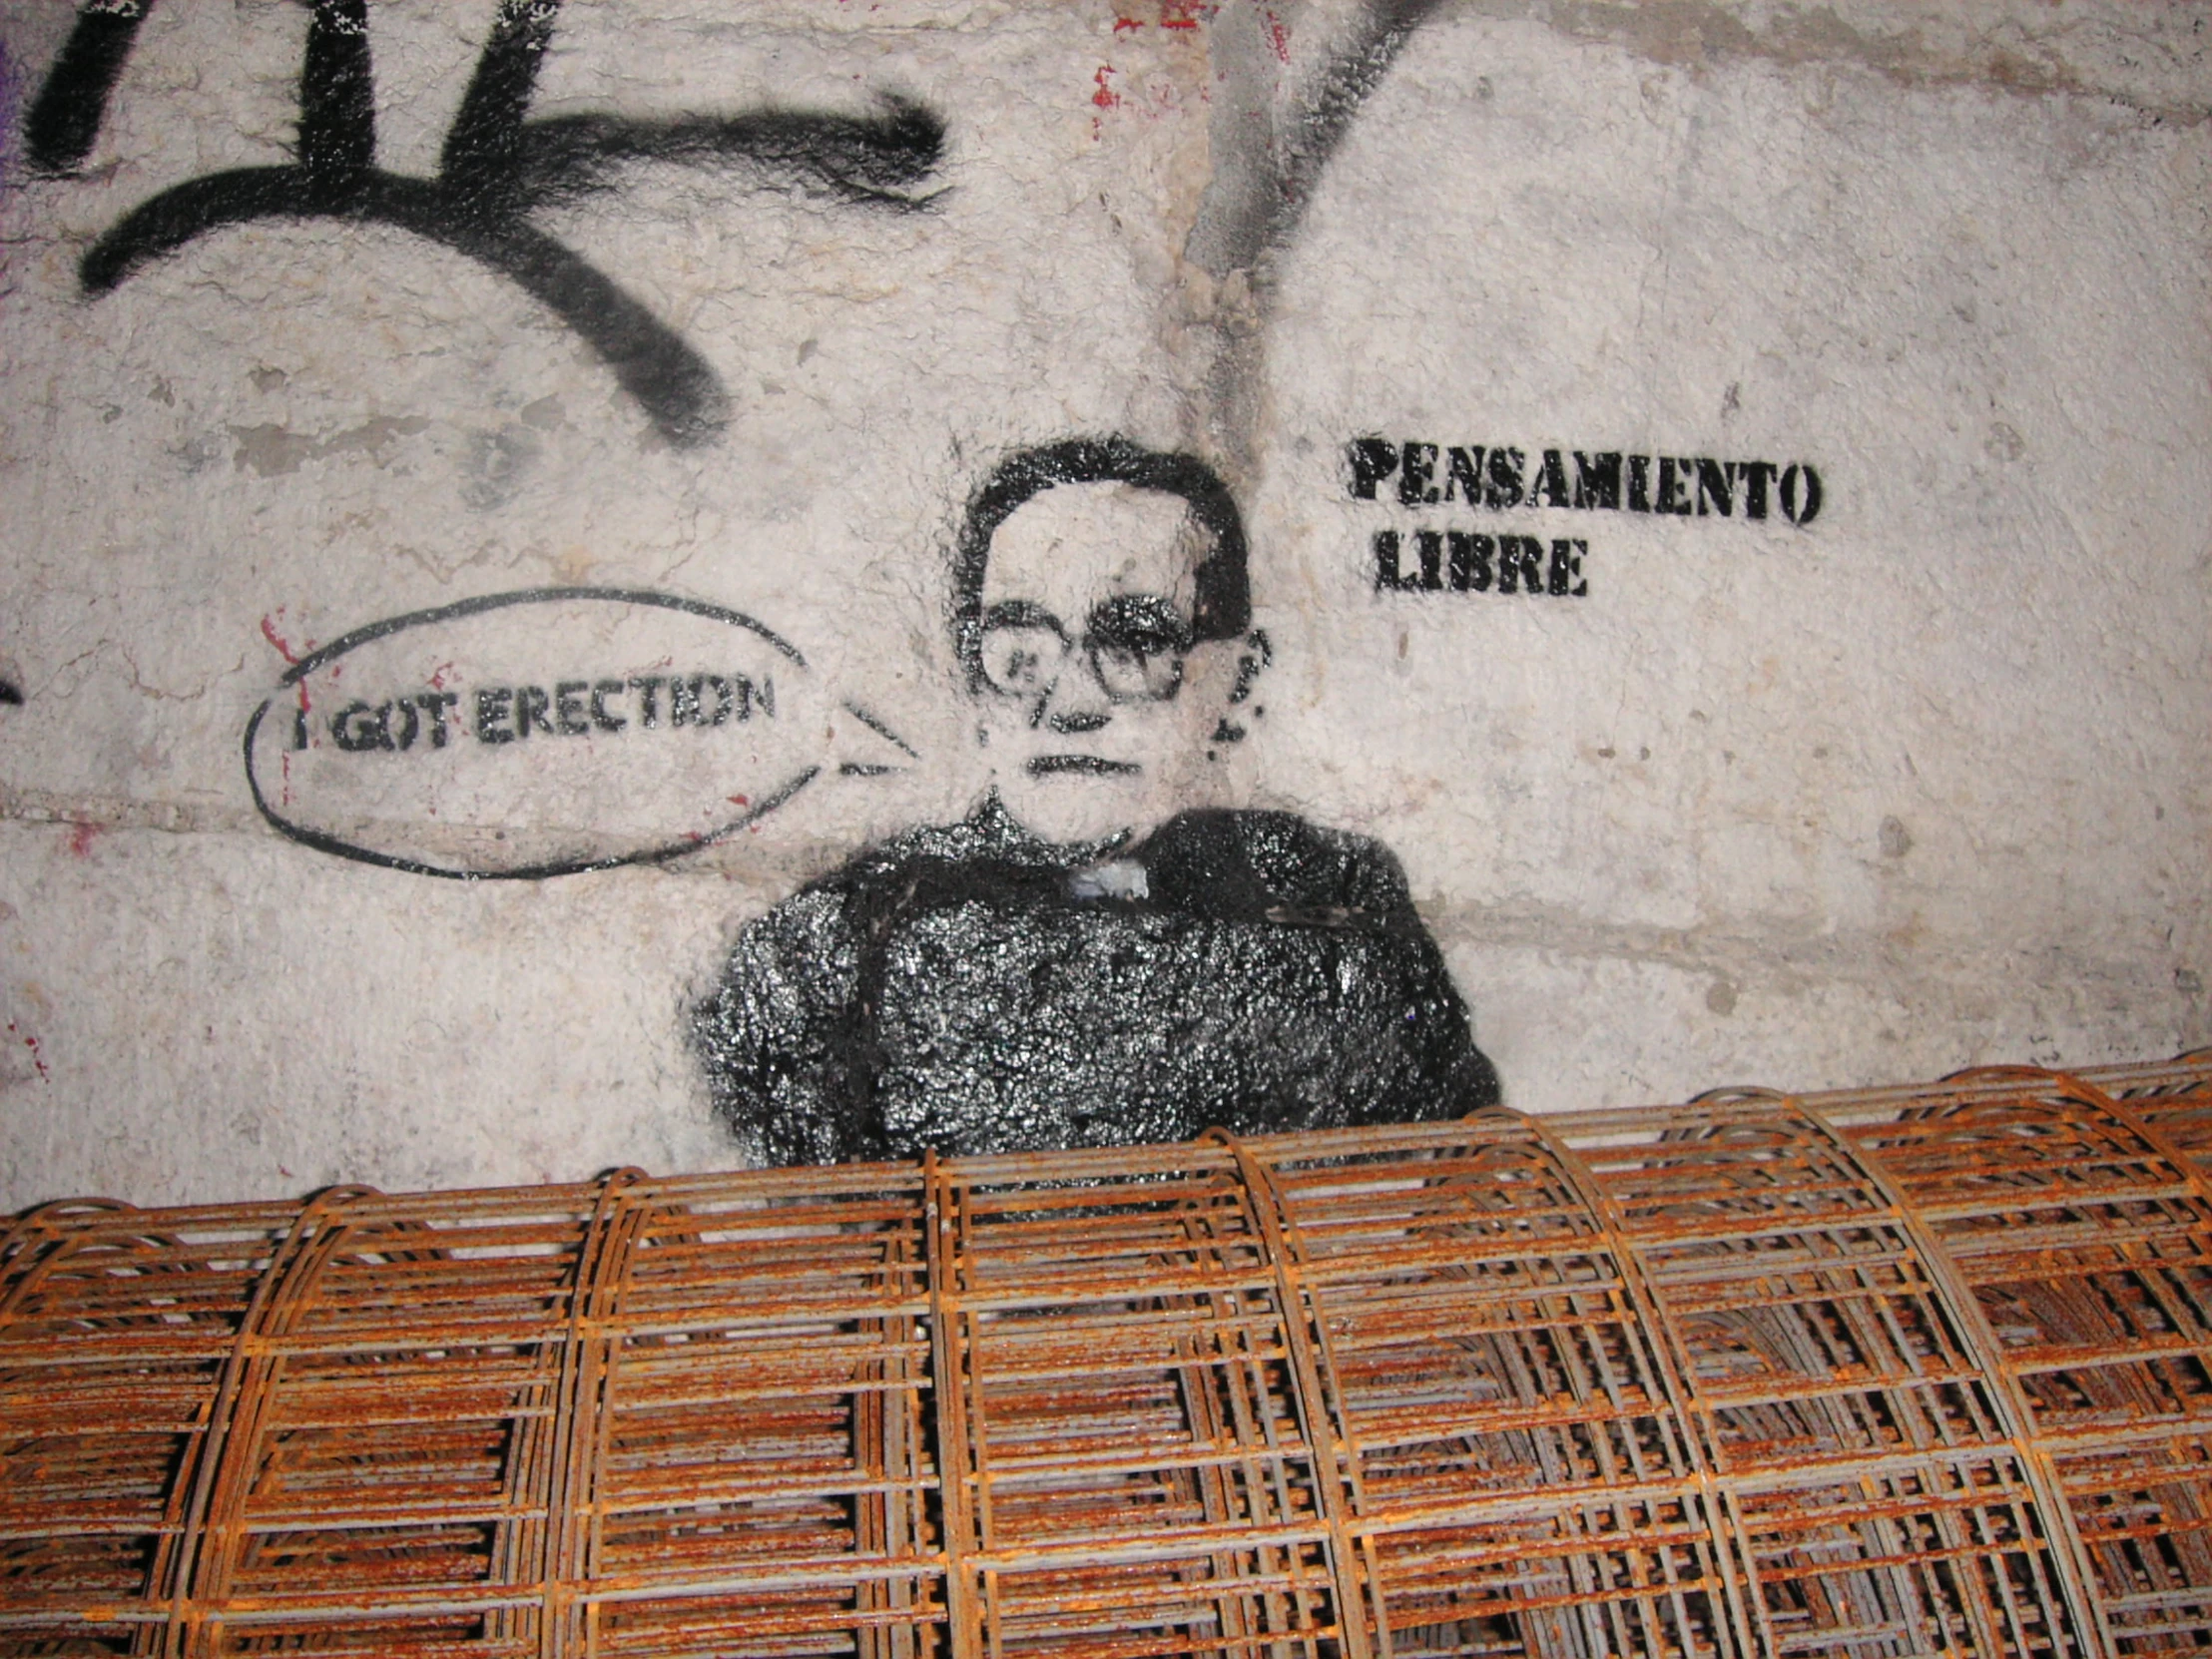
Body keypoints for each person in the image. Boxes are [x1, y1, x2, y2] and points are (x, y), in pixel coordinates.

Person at [692, 437, 1499, 1165]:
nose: (1068, 702)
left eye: (1135, 642)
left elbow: (1441, 1168)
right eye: (1020, 649)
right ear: (972, 678)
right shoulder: (833, 948)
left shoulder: (1335, 904)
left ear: (1237, 680)